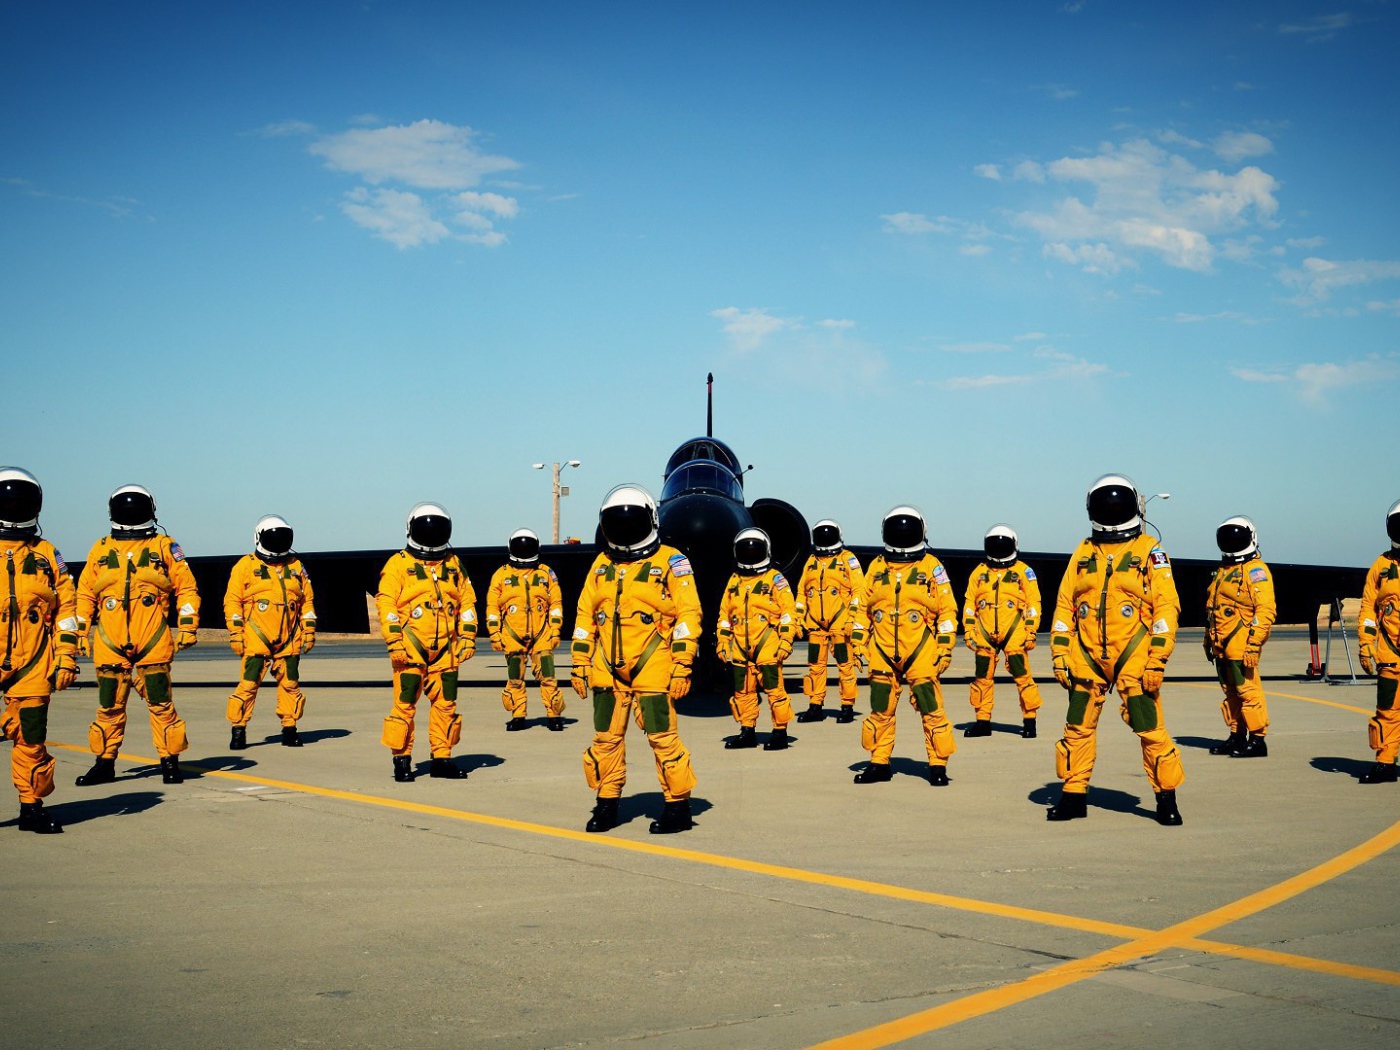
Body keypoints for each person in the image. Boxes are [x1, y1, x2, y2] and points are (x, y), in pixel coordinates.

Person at [1047, 474, 1184, 825]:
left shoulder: (1150, 551)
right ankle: (1074, 795)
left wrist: (1157, 659)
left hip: (1134, 655)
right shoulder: (1083, 552)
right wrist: (1060, 654)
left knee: (1149, 727)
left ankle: (1165, 799)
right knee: (1076, 727)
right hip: (1087, 655)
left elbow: (1166, 608)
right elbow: (1064, 606)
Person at [570, 484, 700, 834]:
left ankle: (677, 808)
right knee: (606, 740)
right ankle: (607, 804)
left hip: (653, 665)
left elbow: (689, 614)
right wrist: (580, 662)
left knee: (662, 737)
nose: (624, 528)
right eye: (616, 522)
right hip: (607, 668)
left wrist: (682, 663)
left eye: (632, 521)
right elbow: (584, 617)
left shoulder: (672, 562)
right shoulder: (601, 565)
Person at [74, 485, 199, 787]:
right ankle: (104, 764)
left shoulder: (164, 547)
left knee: (160, 704)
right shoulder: (101, 549)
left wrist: (188, 625)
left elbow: (186, 588)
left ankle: (170, 762)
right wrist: (79, 631)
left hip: (151, 639)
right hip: (110, 641)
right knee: (109, 706)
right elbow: (85, 594)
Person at [851, 506, 959, 786]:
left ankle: (937, 765)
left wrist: (945, 647)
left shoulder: (931, 566)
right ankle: (879, 763)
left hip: (920, 649)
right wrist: (859, 642)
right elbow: (862, 608)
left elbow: (947, 610)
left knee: (931, 709)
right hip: (883, 649)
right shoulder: (876, 566)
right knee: (880, 710)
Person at [0, 468, 77, 833]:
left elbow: (67, 610)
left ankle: (30, 807)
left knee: (31, 737)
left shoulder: (47, 555)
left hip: (32, 660)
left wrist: (65, 656)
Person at [376, 503, 477, 782]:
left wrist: (468, 636)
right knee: (405, 705)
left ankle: (441, 759)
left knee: (446, 705)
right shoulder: (398, 564)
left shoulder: (453, 564)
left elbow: (467, 601)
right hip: (410, 648)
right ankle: (402, 759)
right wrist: (394, 642)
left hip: (446, 649)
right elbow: (387, 605)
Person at [223, 515, 317, 750]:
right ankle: (238, 730)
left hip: (289, 638)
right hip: (257, 638)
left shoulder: (295, 566)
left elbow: (307, 601)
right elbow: (232, 601)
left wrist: (309, 630)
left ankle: (290, 728)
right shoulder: (245, 566)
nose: (278, 543)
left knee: (291, 685)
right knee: (248, 685)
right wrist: (235, 632)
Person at [718, 528, 797, 750]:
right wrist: (723, 641)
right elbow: (725, 615)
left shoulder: (775, 579)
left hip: (767, 642)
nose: (750, 555)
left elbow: (788, 612)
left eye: (755, 551)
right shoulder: (734, 581)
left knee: (773, 689)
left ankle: (780, 732)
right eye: (746, 551)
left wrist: (786, 640)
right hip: (740, 644)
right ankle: (747, 730)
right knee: (743, 690)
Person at [1204, 516, 1276, 759]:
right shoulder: (1225, 571)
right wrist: (1208, 637)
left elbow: (1265, 610)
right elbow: (1214, 607)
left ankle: (1257, 740)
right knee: (1231, 692)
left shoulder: (1255, 571)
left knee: (1247, 691)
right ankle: (1237, 735)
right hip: (1221, 643)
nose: (1232, 543)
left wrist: (1253, 644)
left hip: (1240, 642)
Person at [962, 524, 1043, 739]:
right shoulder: (979, 572)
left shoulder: (1024, 572)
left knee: (1022, 675)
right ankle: (982, 721)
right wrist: (969, 629)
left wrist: (1031, 629)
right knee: (982, 678)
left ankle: (1029, 720)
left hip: (1014, 630)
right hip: (984, 630)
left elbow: (1034, 601)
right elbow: (970, 602)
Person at [486, 529, 566, 732]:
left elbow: (555, 602)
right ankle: (518, 714)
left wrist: (555, 629)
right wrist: (495, 633)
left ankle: (554, 715)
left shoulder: (545, 573)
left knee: (548, 676)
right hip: (513, 634)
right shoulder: (501, 575)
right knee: (515, 678)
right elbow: (492, 607)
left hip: (542, 633)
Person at [793, 520, 866, 724]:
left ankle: (847, 706)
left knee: (845, 665)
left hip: (840, 625)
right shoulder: (812, 561)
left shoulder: (847, 560)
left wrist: (853, 617)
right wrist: (798, 617)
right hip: (816, 625)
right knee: (815, 666)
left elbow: (859, 590)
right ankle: (815, 705)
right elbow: (801, 592)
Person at [1356, 498, 1400, 784]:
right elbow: (1369, 610)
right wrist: (1365, 645)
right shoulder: (1381, 566)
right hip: (1390, 654)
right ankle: (1385, 763)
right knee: (1387, 710)